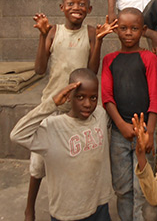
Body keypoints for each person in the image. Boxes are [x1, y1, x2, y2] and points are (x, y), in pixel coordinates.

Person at [25, 0, 117, 221]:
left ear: (89, 9)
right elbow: (39, 69)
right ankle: (30, 208)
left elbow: (91, 71)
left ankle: (86, 203)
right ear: (61, 8)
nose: (76, 8)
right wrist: (42, 36)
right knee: (38, 164)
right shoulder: (54, 32)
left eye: (81, 4)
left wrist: (98, 41)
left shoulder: (89, 33)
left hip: (79, 109)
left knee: (81, 156)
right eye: (70, 3)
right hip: (53, 107)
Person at [10, 68, 113, 221]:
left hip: (99, 205)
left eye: (93, 98)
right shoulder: (53, 127)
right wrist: (51, 104)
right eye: (80, 97)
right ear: (69, 96)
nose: (87, 104)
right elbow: (17, 135)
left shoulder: (100, 115)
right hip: (67, 212)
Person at [101, 7, 157, 221]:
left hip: (144, 132)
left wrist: (150, 133)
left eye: (134, 28)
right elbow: (107, 97)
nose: (129, 33)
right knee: (122, 187)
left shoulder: (148, 58)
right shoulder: (109, 60)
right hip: (120, 134)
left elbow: (155, 97)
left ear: (143, 30)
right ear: (116, 29)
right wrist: (121, 125)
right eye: (124, 28)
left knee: (142, 188)